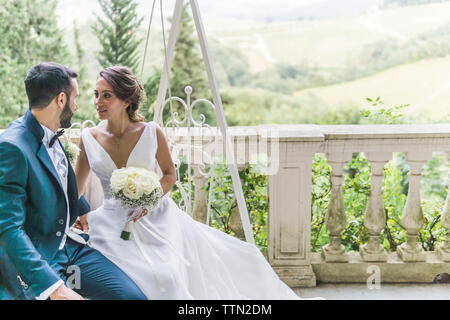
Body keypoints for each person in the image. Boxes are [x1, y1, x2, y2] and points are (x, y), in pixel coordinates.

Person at [74, 65, 303, 299]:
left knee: (168, 277)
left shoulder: (152, 132)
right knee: (127, 277)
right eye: (96, 94)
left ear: (125, 101)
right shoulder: (88, 139)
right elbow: (75, 189)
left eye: (106, 95)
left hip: (156, 217)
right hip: (110, 221)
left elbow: (169, 174)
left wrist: (148, 199)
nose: (98, 102)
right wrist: (76, 216)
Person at [0, 62, 147, 300]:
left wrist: (82, 211)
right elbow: (8, 228)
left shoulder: (50, 130)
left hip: (70, 249)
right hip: (39, 261)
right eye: (74, 98)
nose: (77, 105)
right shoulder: (12, 147)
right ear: (60, 100)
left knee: (133, 297)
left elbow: (56, 184)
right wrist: (54, 289)